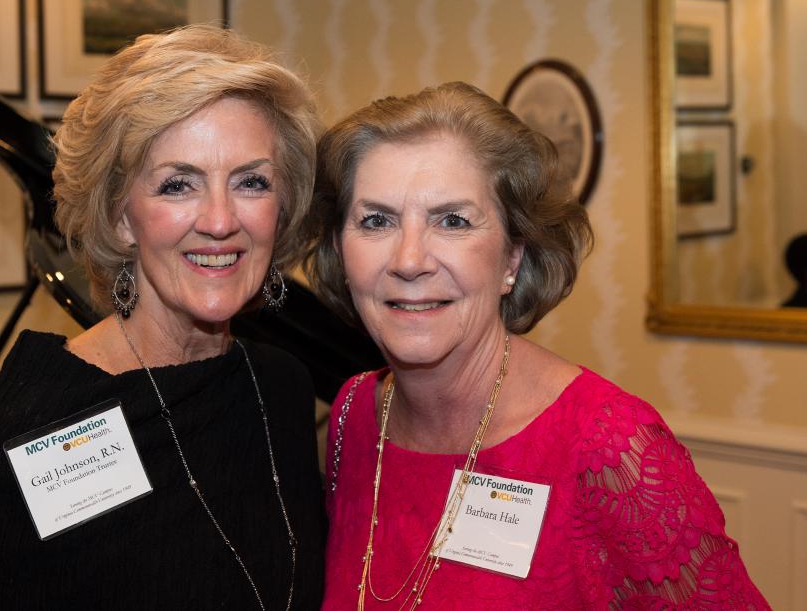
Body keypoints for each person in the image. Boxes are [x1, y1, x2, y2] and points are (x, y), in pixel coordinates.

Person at [0, 25, 326, 609]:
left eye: (251, 182)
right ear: (122, 219)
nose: (221, 220)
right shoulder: (26, 424)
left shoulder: (282, 387)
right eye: (178, 185)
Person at [307, 82, 768, 609]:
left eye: (452, 220)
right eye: (377, 221)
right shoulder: (355, 415)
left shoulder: (609, 448)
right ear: (341, 252)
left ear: (512, 260)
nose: (409, 260)